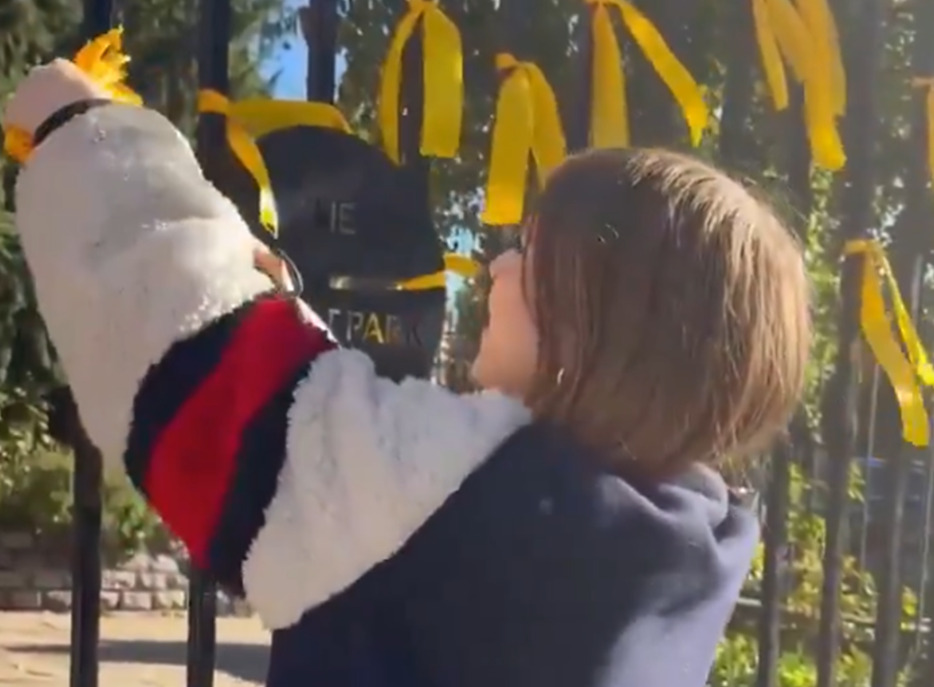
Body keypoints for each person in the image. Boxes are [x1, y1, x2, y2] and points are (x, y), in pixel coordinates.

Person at [4, 59, 810, 687]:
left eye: (530, 256)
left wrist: (81, 127)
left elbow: (194, 357)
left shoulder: (482, 501)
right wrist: (282, 314)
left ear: (597, 325)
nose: (496, 267)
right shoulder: (691, 545)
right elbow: (354, 462)